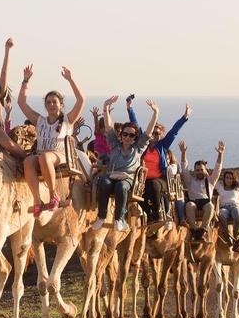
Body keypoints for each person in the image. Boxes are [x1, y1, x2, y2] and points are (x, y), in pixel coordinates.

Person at [17, 65, 85, 216]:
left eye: (54, 102)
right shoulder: (39, 120)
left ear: (61, 104)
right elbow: (21, 102)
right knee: (28, 161)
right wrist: (25, 80)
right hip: (42, 155)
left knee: (45, 157)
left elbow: (81, 100)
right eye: (48, 102)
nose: (51, 105)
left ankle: (53, 195)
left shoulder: (68, 120)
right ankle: (37, 201)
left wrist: (70, 79)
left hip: (59, 155)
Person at [92, 97, 159, 232]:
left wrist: (155, 113)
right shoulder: (115, 145)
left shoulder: (138, 148)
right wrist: (105, 108)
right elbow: (109, 127)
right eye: (125, 134)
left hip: (127, 179)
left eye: (131, 135)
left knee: (121, 187)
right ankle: (101, 216)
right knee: (104, 182)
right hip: (113, 175)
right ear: (121, 135)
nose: (127, 137)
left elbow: (148, 132)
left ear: (135, 138)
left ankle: (119, 219)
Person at [132, 101, 191, 222]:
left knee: (152, 186)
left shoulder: (162, 146)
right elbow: (135, 125)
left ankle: (158, 213)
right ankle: (149, 214)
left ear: (161, 135)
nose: (154, 135)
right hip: (143, 179)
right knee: (136, 193)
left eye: (158, 133)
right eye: (153, 132)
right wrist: (130, 109)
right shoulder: (143, 146)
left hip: (160, 179)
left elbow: (174, 131)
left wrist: (184, 118)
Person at [179, 139, 224, 238]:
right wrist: (183, 153)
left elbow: (218, 169)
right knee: (189, 205)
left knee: (210, 206)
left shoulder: (210, 180)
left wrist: (220, 154)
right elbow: (184, 168)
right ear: (194, 171)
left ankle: (203, 230)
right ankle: (194, 229)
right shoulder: (190, 181)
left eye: (201, 170)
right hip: (194, 202)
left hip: (206, 202)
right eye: (197, 170)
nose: (199, 172)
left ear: (205, 170)